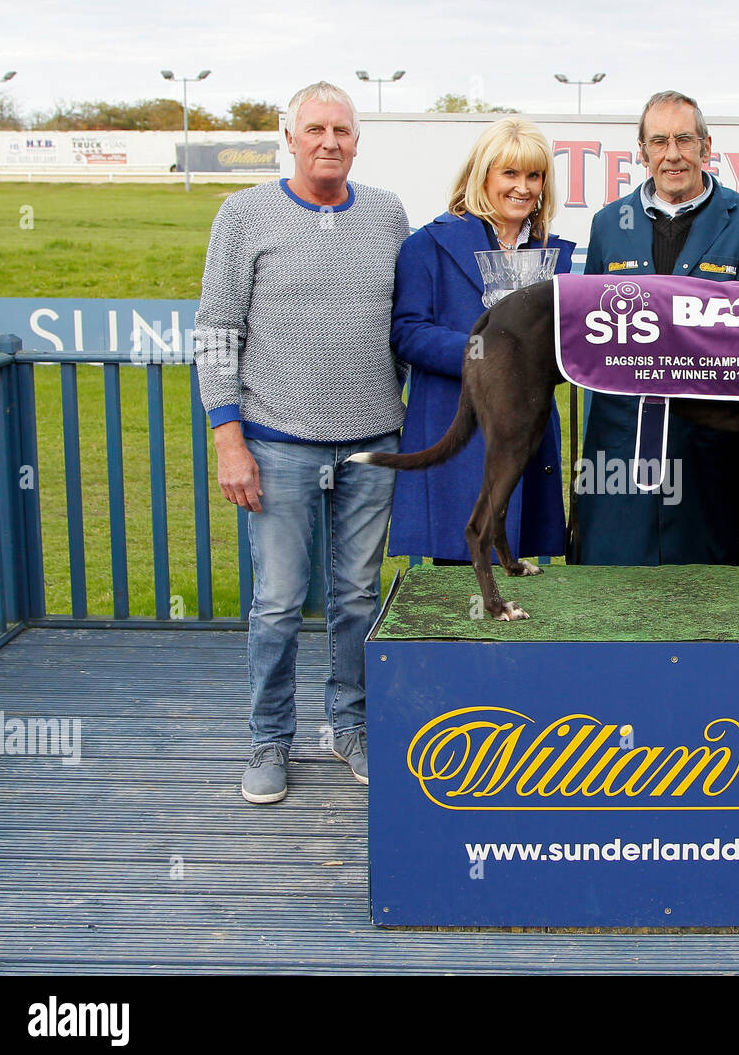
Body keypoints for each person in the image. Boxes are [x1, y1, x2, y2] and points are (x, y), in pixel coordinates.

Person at [194, 81, 410, 804]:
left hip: (371, 442)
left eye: (342, 130)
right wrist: (230, 438)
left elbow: (404, 321)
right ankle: (268, 740)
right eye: (314, 128)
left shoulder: (386, 215)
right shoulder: (244, 214)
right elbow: (218, 331)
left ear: (357, 140)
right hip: (277, 441)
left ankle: (350, 727)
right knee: (279, 601)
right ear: (289, 137)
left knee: (356, 596)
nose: (329, 141)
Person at [577, 90, 739, 565]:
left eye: (685, 140)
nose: (673, 154)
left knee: (710, 595)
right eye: (659, 141)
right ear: (641, 152)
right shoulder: (609, 223)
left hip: (709, 440)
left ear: (707, 147)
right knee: (613, 588)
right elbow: (592, 332)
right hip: (619, 444)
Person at [387, 118, 573, 564]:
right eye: (509, 173)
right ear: (482, 176)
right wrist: (488, 354)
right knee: (457, 586)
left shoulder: (558, 254)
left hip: (527, 429)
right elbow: (408, 332)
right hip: (459, 427)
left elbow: (567, 342)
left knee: (524, 580)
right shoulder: (427, 245)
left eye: (534, 175)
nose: (522, 188)